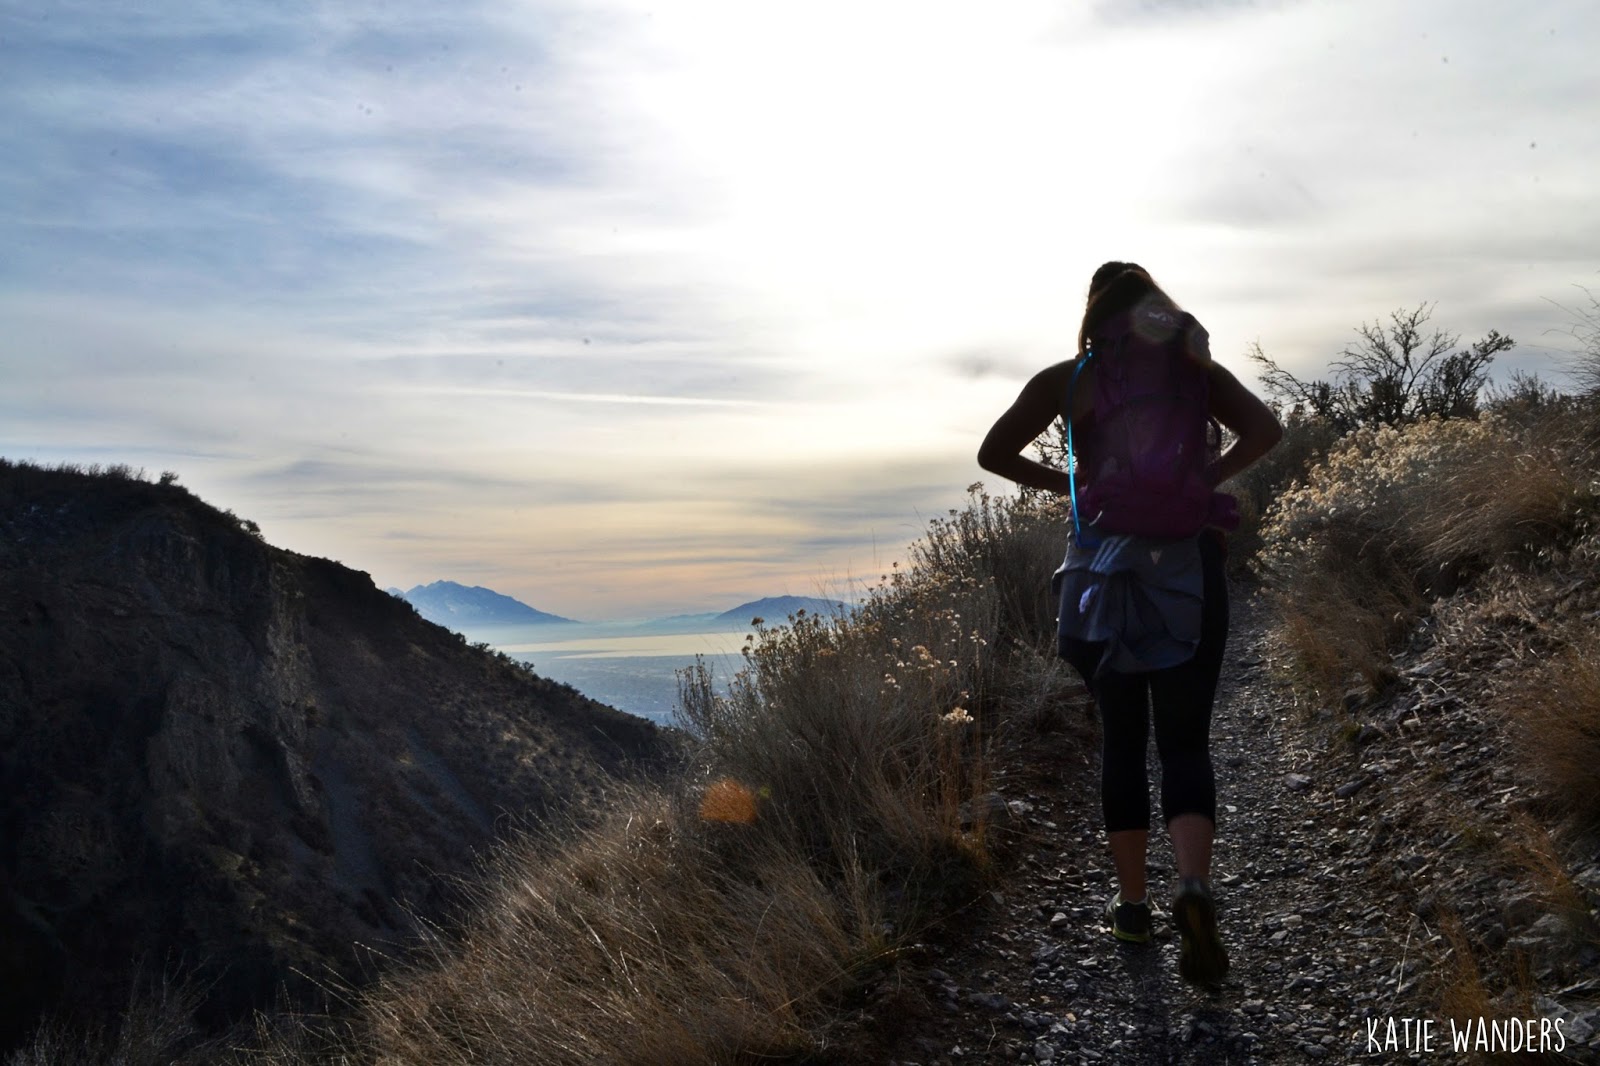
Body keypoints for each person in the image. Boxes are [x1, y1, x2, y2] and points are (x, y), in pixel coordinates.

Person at [977, 261, 1282, 988]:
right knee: (1183, 742)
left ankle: (1134, 906)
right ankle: (1194, 887)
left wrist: (1074, 486)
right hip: (1191, 565)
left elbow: (993, 453)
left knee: (1122, 739)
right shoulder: (1195, 371)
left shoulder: (1069, 378)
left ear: (1095, 315)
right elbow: (1268, 430)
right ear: (1159, 309)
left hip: (1101, 571)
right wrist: (1205, 479)